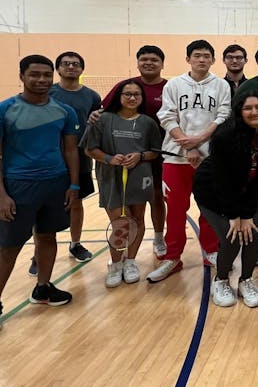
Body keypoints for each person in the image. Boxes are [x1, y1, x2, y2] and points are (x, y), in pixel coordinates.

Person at [0, 55, 79, 338]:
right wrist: (0, 195)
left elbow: (70, 151)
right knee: (9, 248)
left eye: (47, 75)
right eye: (35, 74)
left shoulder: (64, 112)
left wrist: (73, 185)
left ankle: (43, 287)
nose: (42, 80)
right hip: (18, 187)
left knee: (48, 237)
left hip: (56, 184)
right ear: (22, 76)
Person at [193, 91, 258, 308]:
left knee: (253, 235)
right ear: (239, 112)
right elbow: (222, 180)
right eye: (247, 108)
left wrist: (247, 214)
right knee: (232, 237)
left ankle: (246, 280)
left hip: (247, 192)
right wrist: (234, 215)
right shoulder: (225, 136)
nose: (254, 112)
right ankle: (222, 280)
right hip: (213, 193)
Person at [150, 40, 232, 283]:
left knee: (210, 209)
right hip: (176, 158)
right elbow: (166, 115)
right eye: (197, 55)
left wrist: (199, 140)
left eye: (206, 56)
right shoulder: (174, 84)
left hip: (210, 158)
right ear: (188, 59)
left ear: (212, 60)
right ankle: (172, 257)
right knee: (175, 211)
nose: (201, 59)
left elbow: (223, 115)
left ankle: (212, 252)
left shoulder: (221, 85)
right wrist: (186, 143)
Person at [81, 80, 162, 287]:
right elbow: (90, 148)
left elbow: (156, 151)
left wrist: (140, 155)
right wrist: (108, 158)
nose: (132, 98)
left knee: (137, 218)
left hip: (139, 175)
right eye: (127, 94)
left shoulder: (147, 122)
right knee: (120, 222)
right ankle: (116, 263)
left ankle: (131, 261)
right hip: (110, 176)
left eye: (137, 94)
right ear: (119, 96)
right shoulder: (102, 119)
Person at [95, 45, 169, 259]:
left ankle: (158, 237)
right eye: (144, 59)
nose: (148, 63)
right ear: (137, 63)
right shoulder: (126, 86)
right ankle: (120, 257)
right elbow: (104, 110)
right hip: (126, 156)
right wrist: (94, 115)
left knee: (157, 198)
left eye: (154, 60)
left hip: (157, 153)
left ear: (162, 64)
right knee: (128, 207)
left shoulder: (170, 87)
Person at [48, 51, 102, 265]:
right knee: (46, 205)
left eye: (75, 64)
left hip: (80, 158)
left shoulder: (92, 96)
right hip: (52, 158)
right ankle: (39, 251)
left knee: (76, 202)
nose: (71, 67)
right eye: (66, 64)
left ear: (82, 69)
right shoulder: (48, 93)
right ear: (58, 68)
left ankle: (75, 243)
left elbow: (96, 125)